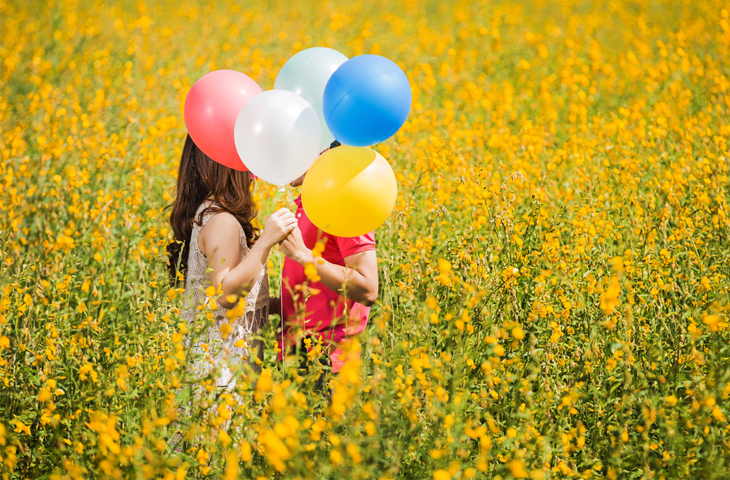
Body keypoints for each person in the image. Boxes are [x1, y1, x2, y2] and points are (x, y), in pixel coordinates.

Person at [167, 134, 296, 389]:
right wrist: (267, 240)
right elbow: (225, 294)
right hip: (221, 371)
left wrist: (274, 305)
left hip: (220, 365)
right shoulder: (222, 221)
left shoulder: (209, 212)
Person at [278, 141, 379, 378]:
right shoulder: (311, 202)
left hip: (327, 357)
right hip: (297, 348)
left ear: (322, 150)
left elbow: (368, 288)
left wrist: (303, 255)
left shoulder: (343, 202)